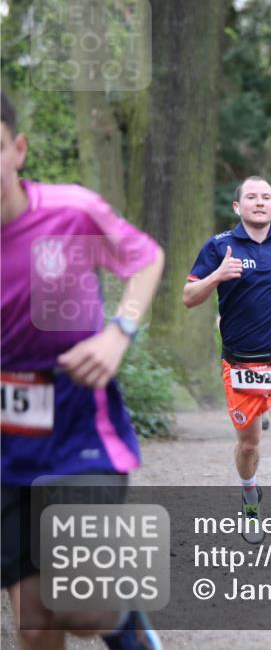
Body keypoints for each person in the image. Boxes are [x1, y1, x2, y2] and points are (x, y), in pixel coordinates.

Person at [1, 92, 165, 649]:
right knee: (35, 624)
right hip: (5, 451)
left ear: (18, 150)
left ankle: (126, 622)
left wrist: (121, 330)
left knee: (79, 605)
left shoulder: (70, 212)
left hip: (76, 432)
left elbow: (145, 258)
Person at [183, 175, 271, 553]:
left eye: (266, 197)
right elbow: (189, 296)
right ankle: (249, 493)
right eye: (251, 197)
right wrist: (217, 275)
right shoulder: (219, 246)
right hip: (241, 363)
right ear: (237, 206)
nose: (259, 202)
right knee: (248, 445)